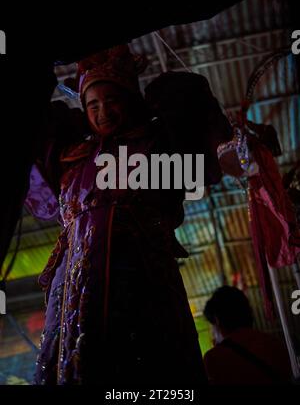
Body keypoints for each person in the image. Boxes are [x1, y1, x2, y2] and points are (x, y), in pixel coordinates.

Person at [25, 45, 232, 385]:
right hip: (77, 290)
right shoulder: (70, 157)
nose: (103, 112)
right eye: (93, 105)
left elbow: (188, 98)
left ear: (131, 100)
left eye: (112, 101)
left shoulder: (157, 143)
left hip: (141, 280)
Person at [203, 285, 291, 385]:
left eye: (212, 325)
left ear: (217, 320)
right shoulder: (275, 344)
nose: (212, 332)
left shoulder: (214, 359)